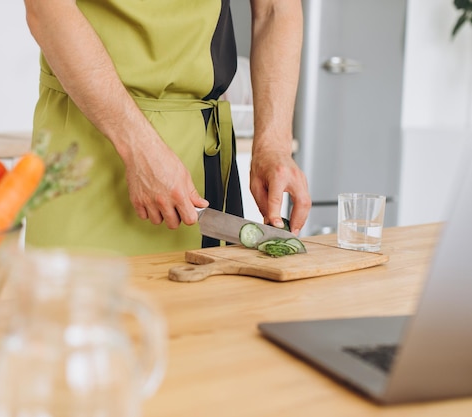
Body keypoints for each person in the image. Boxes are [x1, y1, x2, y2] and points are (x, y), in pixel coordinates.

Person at [23, 0, 311, 255]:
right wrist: (138, 146)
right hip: (87, 142)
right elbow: (47, 8)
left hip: (202, 158)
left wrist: (273, 144)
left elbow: (276, 8)